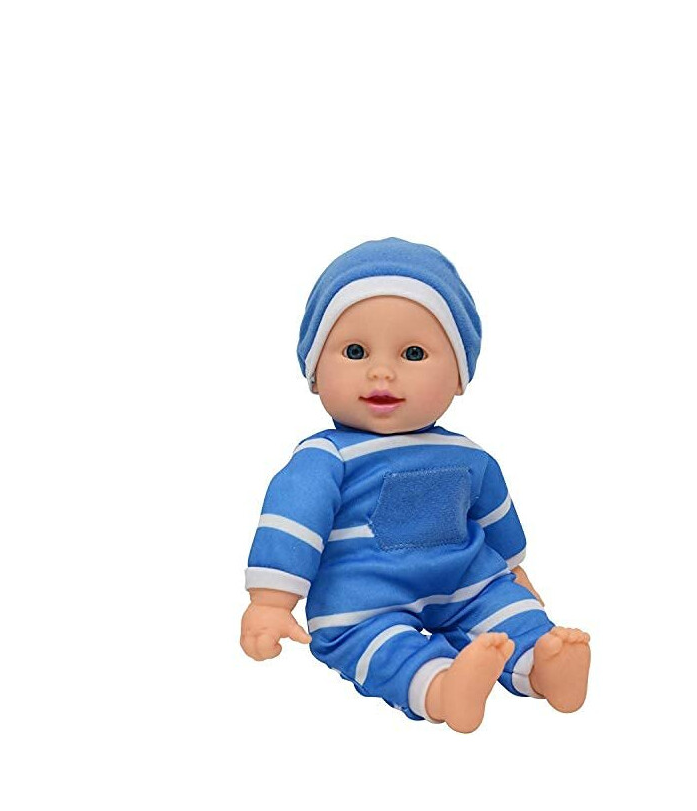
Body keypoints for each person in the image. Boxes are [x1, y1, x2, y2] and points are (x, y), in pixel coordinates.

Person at [240, 237, 590, 732]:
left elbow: (498, 524)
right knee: (370, 642)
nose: (382, 372)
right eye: (356, 352)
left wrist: (516, 576)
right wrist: (270, 601)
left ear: (459, 377)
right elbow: (293, 520)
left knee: (506, 613)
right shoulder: (327, 457)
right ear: (314, 372)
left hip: (465, 582)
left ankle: (545, 664)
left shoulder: (468, 455)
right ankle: (443, 687)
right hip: (363, 596)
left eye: (413, 353)